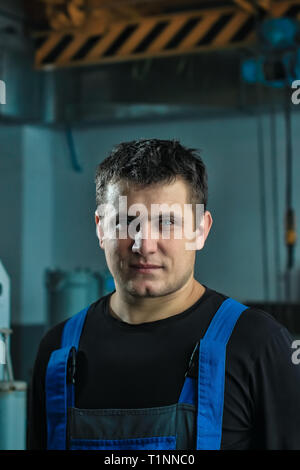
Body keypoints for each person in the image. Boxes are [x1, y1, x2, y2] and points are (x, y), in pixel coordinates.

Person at [28, 138, 300, 450]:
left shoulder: (259, 346)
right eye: (127, 221)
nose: (144, 245)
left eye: (166, 222)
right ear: (101, 229)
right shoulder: (57, 353)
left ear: (200, 230)